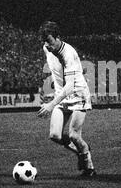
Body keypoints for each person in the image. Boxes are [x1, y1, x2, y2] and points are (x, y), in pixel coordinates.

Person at [37, 21, 96, 177]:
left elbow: (70, 86)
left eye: (49, 41)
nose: (46, 45)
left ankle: (89, 166)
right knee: (55, 135)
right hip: (62, 96)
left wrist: (50, 105)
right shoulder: (47, 48)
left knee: (74, 136)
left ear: (58, 37)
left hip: (78, 95)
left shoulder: (68, 53)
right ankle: (81, 150)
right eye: (44, 41)